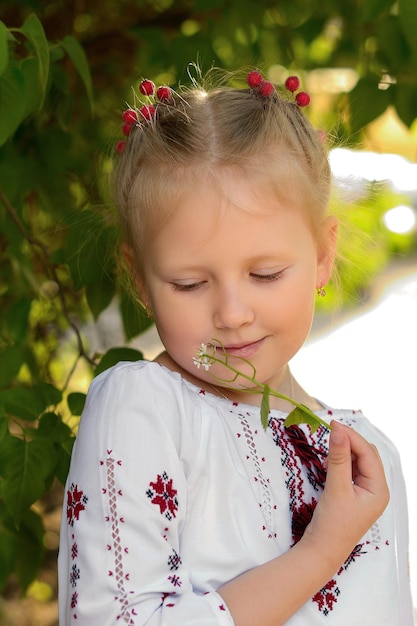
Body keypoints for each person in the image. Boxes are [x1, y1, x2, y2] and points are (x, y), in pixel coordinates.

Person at [58, 67, 415, 625]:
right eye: (190, 284)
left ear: (322, 256)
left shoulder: (372, 458)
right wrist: (320, 552)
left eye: (266, 273)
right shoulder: (145, 410)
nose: (231, 314)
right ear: (140, 281)